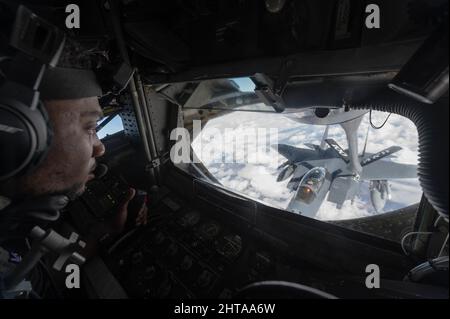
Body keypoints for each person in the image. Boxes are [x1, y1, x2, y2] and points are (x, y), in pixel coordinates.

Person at [0, 38, 147, 298]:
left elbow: (36, 275)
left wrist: (106, 232)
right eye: (90, 128)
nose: (100, 148)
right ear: (14, 136)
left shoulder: (10, 224)